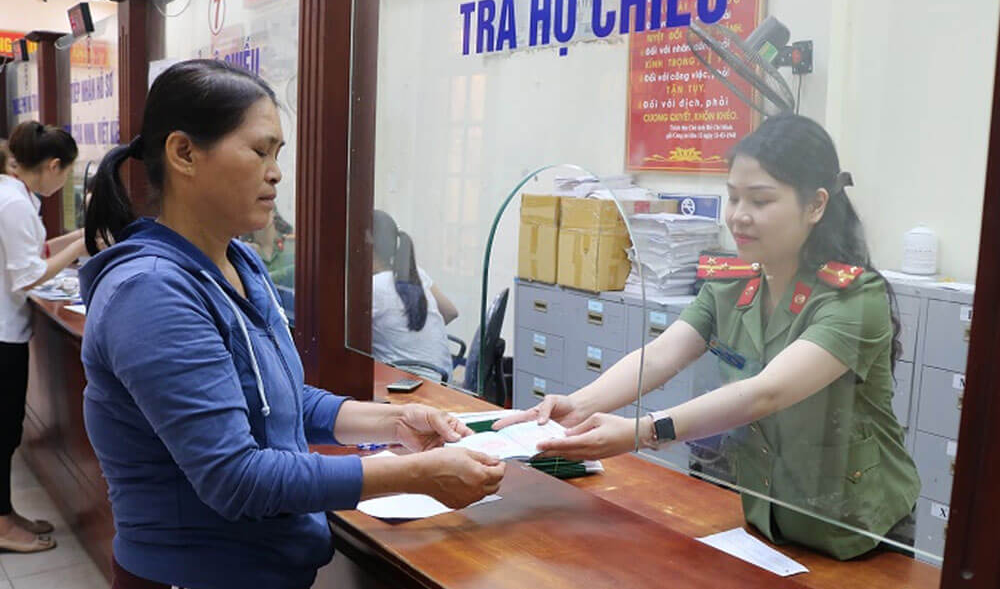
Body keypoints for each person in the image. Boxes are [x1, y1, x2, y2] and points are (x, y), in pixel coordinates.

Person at [80, 60, 505, 589]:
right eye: (260, 151)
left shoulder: (239, 262)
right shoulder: (151, 292)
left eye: (278, 153)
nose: (276, 172)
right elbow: (235, 478)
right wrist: (415, 473)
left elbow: (280, 399)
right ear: (184, 153)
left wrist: (395, 421)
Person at [497, 114, 920, 561]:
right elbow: (660, 355)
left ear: (815, 205)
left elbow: (767, 392)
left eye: (760, 200)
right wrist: (578, 406)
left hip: (856, 530)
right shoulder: (733, 283)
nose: (739, 216)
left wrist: (643, 431)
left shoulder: (854, 298)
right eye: (733, 197)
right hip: (770, 516)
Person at [0, 121, 88, 554]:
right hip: (2, 335)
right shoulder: (14, 203)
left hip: (8, 330)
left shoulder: (15, 195)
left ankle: (4, 515)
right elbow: (28, 275)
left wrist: (81, 237)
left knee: (7, 428)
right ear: (53, 165)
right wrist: (81, 246)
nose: (65, 181)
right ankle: (1, 528)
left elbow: (35, 253)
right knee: (2, 432)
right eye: (66, 172)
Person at [371, 209, 459, 378]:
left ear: (367, 240)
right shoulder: (415, 273)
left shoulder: (374, 287)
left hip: (408, 383)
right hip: (441, 377)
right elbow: (450, 312)